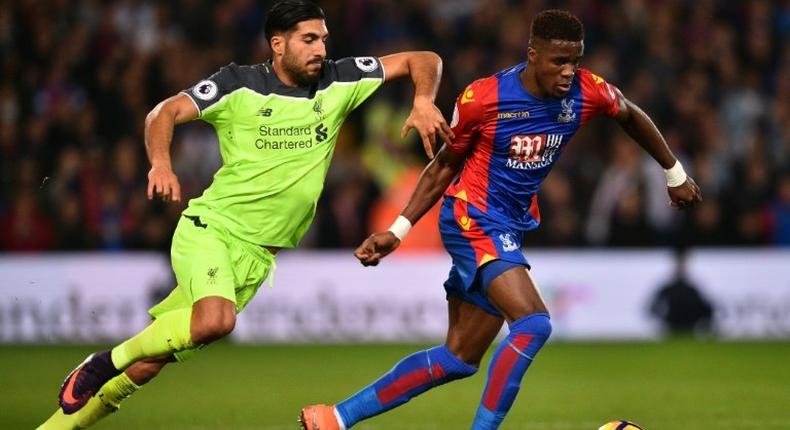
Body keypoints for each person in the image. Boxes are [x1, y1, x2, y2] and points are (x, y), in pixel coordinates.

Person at [37, 1, 453, 428]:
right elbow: (163, 112)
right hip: (212, 230)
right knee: (215, 321)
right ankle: (106, 361)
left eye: (323, 39)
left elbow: (423, 59)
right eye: (309, 40)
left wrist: (423, 100)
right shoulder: (238, 84)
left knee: (152, 363)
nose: (320, 49)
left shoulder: (340, 79)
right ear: (278, 44)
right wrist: (160, 163)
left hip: (257, 258)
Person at [300, 9, 702, 430]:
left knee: (458, 357)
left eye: (575, 62)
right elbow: (443, 165)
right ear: (533, 54)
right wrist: (399, 230)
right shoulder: (484, 98)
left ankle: (335, 418)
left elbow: (630, 114)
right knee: (534, 324)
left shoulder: (586, 91)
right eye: (558, 62)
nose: (569, 72)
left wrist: (673, 173)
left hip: (507, 225)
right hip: (471, 217)